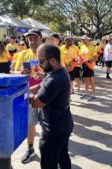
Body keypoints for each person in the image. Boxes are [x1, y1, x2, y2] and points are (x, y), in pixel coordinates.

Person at [30, 44, 74, 169]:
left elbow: (35, 103)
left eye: (41, 61)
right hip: (64, 123)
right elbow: (40, 86)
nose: (39, 64)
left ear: (53, 60)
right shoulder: (56, 71)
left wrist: (17, 97)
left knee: (49, 161)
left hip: (55, 129)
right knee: (62, 155)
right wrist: (25, 90)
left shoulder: (55, 79)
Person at [15, 29, 44, 164]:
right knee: (30, 123)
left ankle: (50, 149)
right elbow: (14, 71)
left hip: (47, 93)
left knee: (48, 123)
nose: (32, 41)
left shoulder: (48, 53)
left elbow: (59, 71)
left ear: (41, 39)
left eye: (35, 38)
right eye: (30, 39)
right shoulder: (23, 54)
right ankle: (30, 148)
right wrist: (20, 72)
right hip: (29, 93)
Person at [79, 35, 97, 101]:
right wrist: (80, 60)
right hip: (83, 65)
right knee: (86, 79)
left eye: (84, 39)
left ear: (88, 39)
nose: (83, 41)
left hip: (90, 66)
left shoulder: (92, 47)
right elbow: (81, 56)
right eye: (82, 39)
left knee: (91, 80)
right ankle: (86, 93)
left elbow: (96, 57)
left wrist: (88, 61)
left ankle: (93, 94)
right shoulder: (82, 47)